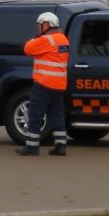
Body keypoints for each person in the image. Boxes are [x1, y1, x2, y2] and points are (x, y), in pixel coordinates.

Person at [17, 12, 70, 156]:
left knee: (35, 115)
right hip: (59, 85)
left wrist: (37, 37)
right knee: (57, 115)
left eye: (40, 25)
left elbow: (28, 49)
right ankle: (61, 145)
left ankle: (32, 147)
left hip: (44, 84)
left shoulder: (47, 40)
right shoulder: (63, 39)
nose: (38, 28)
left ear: (47, 25)